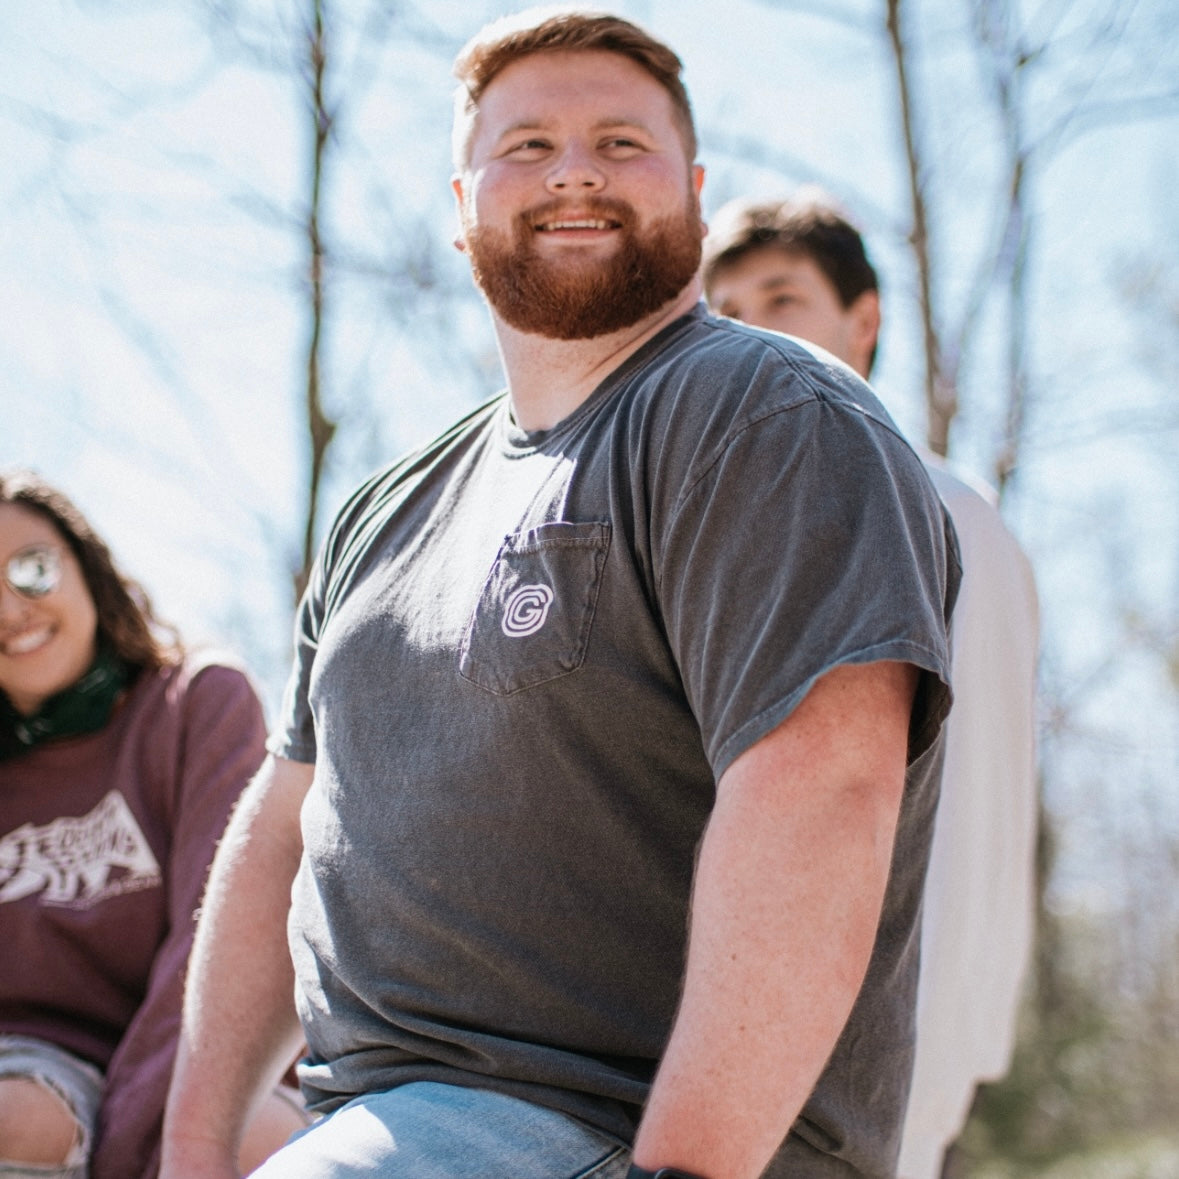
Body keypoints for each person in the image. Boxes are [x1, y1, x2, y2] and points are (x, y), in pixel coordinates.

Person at [160, 10, 961, 1178]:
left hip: (620, 1132)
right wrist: (190, 1146)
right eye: (526, 145)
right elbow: (284, 831)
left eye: (621, 144)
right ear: (460, 202)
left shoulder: (765, 417)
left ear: (692, 190)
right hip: (365, 1127)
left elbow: (823, 793)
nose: (575, 168)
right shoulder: (381, 510)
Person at [702, 193, 1040, 1179]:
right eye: (722, 311)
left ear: (864, 320)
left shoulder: (913, 507)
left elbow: (968, 804)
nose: (748, 332)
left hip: (865, 1041)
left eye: (781, 298)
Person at [0, 468, 308, 1179]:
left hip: (198, 1052)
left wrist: (139, 1133)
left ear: (89, 569)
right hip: (30, 1060)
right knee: (19, 1118)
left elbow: (222, 931)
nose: (11, 605)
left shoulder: (196, 703)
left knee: (249, 1141)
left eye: (33, 567)